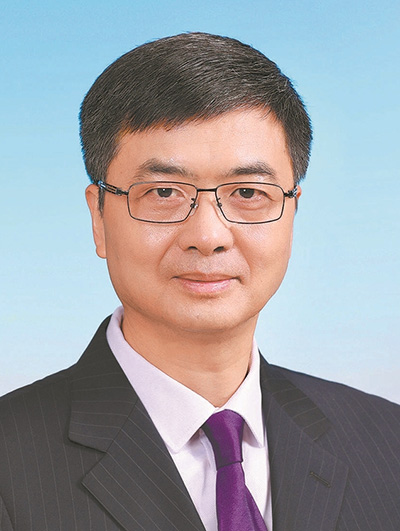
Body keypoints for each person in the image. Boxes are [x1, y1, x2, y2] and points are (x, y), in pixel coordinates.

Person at [0, 32, 399, 531]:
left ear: (292, 211)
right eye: (163, 192)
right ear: (98, 218)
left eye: (248, 192)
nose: (208, 237)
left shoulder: (387, 444)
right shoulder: (11, 465)